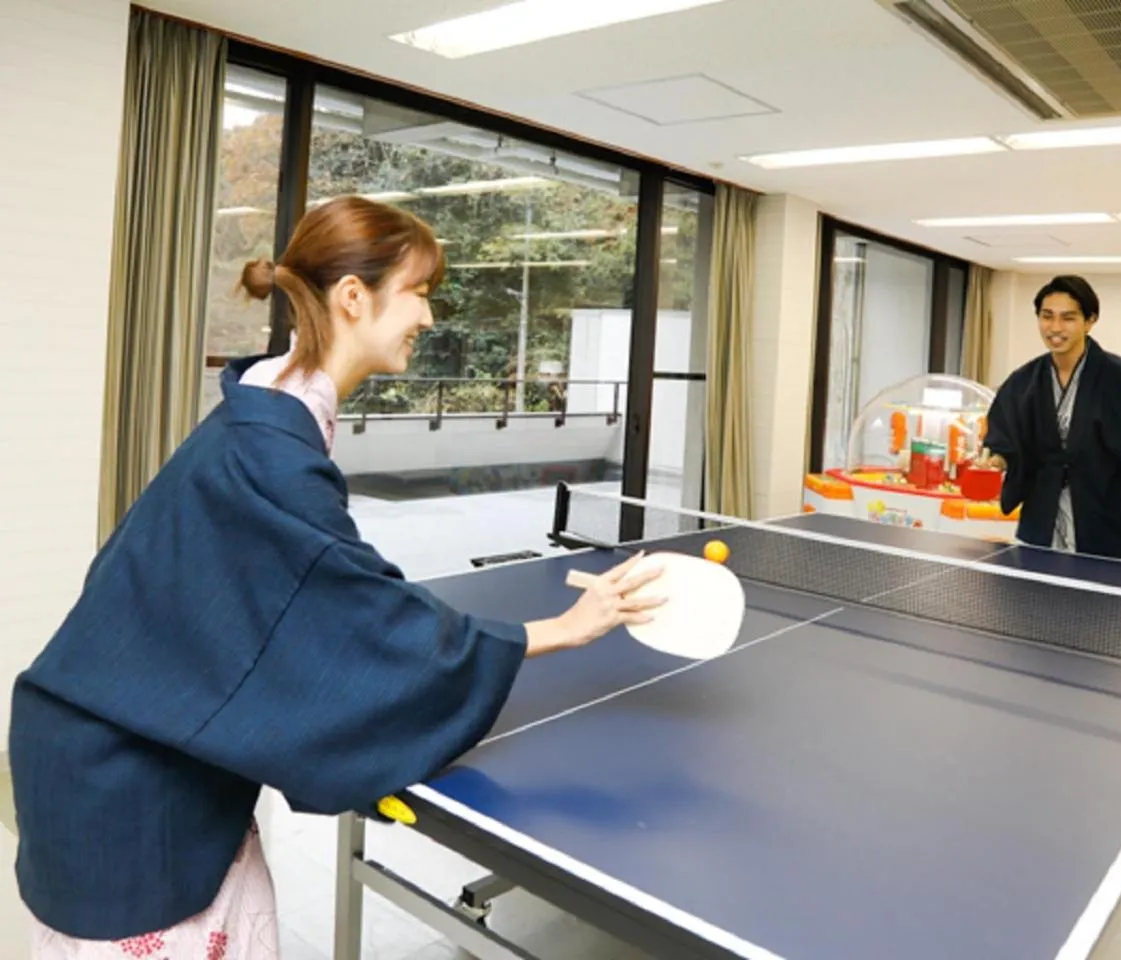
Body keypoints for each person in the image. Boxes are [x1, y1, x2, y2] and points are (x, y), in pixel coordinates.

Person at [9, 195, 664, 958]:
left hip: (102, 742)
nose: (427, 316)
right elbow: (362, 620)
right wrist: (556, 631)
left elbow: (298, 595)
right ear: (354, 297)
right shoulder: (274, 449)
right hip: (127, 784)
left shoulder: (268, 407)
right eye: (419, 290)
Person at [977, 274, 1121, 561]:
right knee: (1036, 601)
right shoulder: (1023, 382)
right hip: (1041, 522)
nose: (1055, 328)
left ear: (1090, 321)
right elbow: (1004, 441)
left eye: (1068, 318)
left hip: (1108, 522)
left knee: (1109, 605)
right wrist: (994, 461)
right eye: (1047, 317)